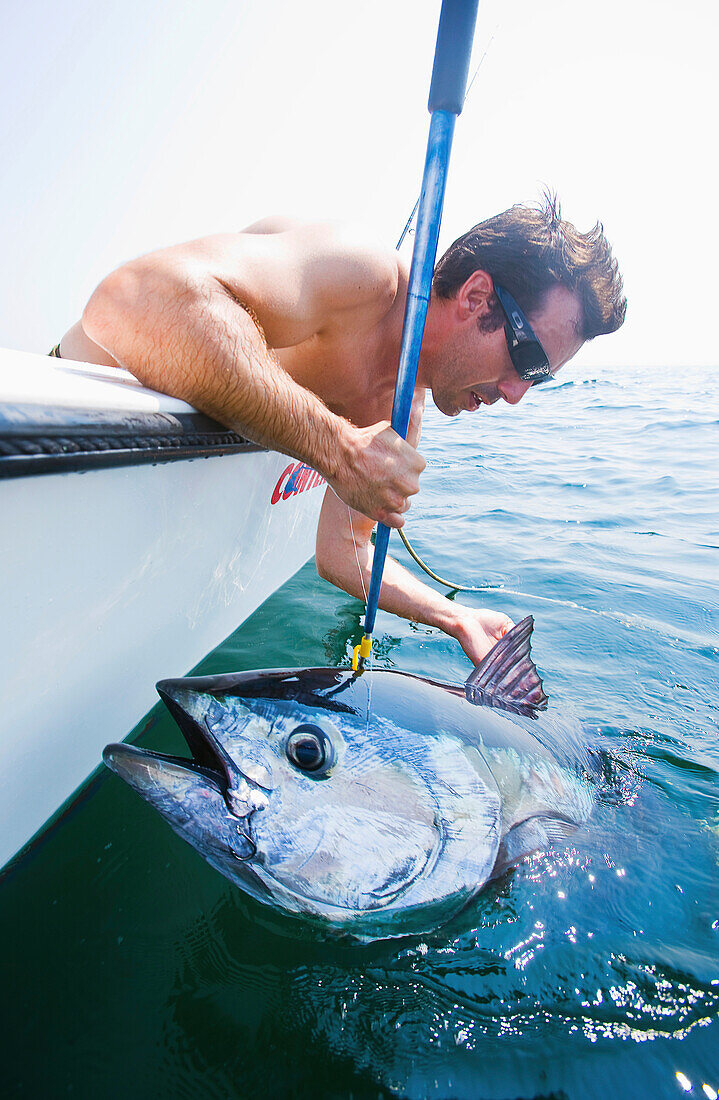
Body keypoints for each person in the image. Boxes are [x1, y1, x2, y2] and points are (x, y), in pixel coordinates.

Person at [54, 196, 626, 664]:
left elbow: (343, 549)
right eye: (525, 361)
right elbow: (129, 300)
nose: (517, 394)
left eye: (540, 380)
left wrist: (456, 618)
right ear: (476, 297)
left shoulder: (401, 411)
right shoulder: (360, 274)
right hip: (61, 425)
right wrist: (336, 448)